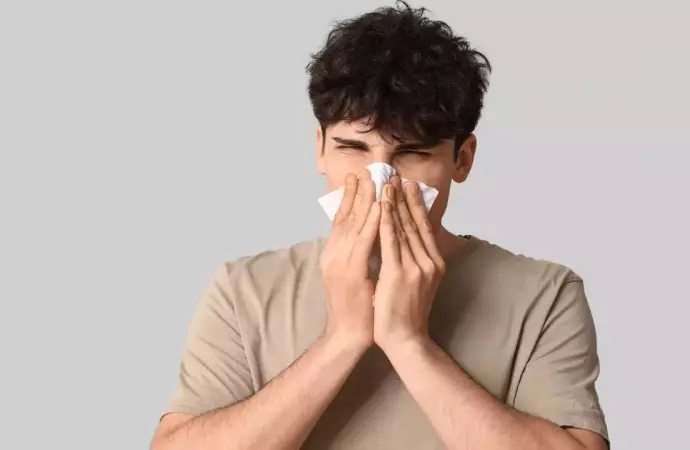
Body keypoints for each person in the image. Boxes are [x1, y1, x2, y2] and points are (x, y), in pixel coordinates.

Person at [150, 2, 609, 449]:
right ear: (320, 149)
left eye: (412, 153)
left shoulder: (543, 294)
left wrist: (409, 342)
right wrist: (341, 339)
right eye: (352, 148)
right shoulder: (245, 290)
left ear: (462, 160)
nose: (379, 180)